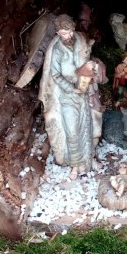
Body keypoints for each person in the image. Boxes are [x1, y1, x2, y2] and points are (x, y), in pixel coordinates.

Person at [39, 15, 97, 176]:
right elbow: (56, 75)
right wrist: (71, 89)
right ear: (58, 33)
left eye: (70, 31)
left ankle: (88, 160)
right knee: (71, 131)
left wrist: (90, 70)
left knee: (86, 127)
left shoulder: (79, 40)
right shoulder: (57, 50)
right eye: (65, 33)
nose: (69, 35)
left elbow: (85, 59)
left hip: (83, 91)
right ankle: (75, 165)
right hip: (67, 95)